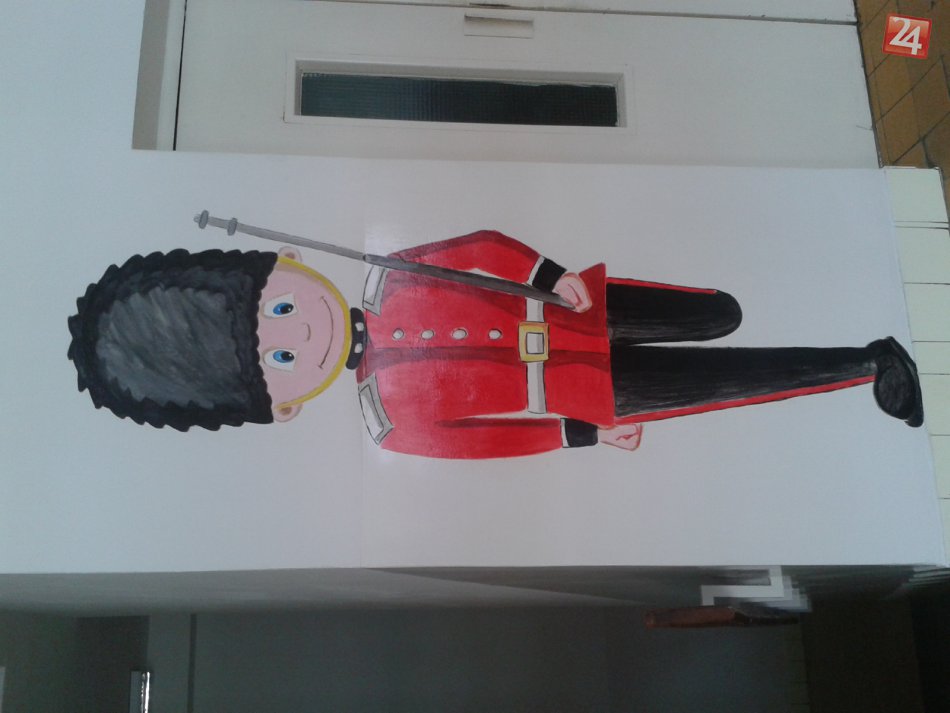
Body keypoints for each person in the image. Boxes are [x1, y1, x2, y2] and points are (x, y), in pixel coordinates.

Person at [68, 230, 923, 459]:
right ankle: (868, 363)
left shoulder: (391, 275)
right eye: (279, 358)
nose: (299, 332)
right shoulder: (393, 423)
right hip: (584, 394)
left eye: (279, 307)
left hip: (573, 310)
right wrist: (585, 434)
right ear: (283, 404)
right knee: (726, 382)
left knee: (715, 316)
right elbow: (493, 443)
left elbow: (479, 250)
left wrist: (550, 275)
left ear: (287, 263)